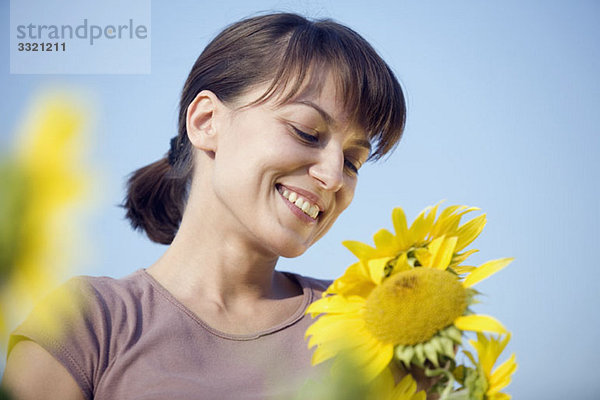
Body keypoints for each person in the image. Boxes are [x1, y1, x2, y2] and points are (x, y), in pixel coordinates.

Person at [2, 12, 406, 400]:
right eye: (306, 132)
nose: (334, 176)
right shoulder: (85, 323)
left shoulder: (370, 326)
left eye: (353, 161)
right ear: (206, 121)